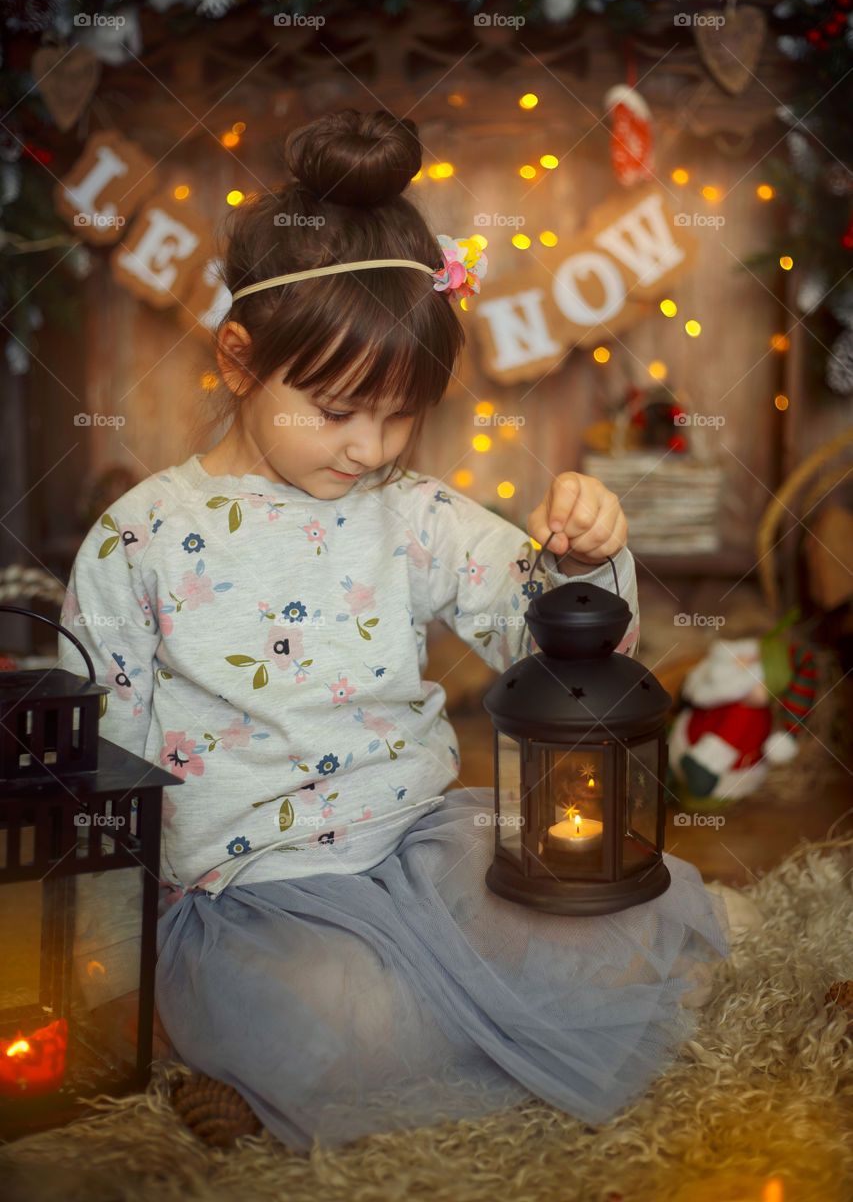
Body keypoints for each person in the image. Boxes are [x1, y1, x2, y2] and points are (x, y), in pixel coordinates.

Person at [58, 108, 729, 1154]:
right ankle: (258, 1061)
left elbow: (545, 640)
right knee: (329, 1011)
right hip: (253, 890)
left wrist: (584, 559)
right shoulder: (140, 538)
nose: (369, 446)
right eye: (334, 410)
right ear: (239, 360)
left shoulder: (410, 511)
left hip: (416, 845)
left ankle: (369, 1047)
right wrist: (114, 960)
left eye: (398, 413)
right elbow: (98, 768)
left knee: (596, 921)